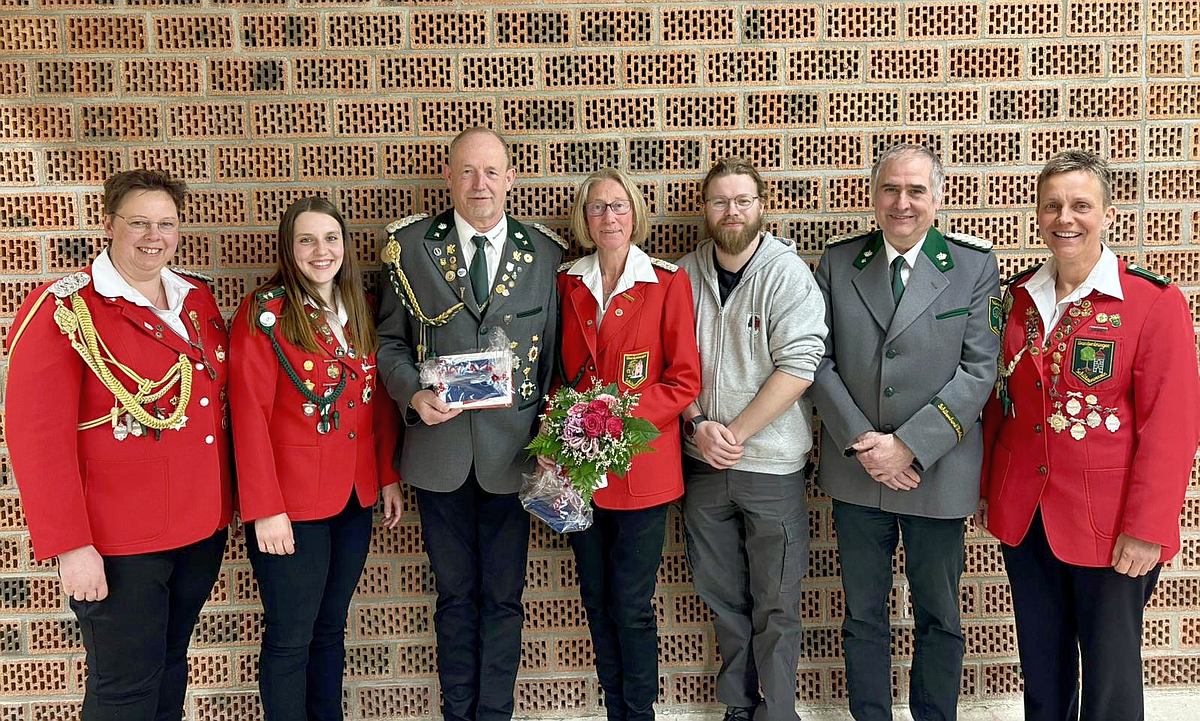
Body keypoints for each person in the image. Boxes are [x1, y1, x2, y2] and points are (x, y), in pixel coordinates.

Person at [979, 150, 1200, 720]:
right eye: (1052, 205)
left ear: (1107, 213)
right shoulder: (1017, 298)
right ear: (1037, 214)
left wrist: (1148, 528)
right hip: (1027, 516)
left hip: (1111, 524)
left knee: (1110, 682)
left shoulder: (1152, 302)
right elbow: (1000, 402)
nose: (1065, 218)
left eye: (1081, 205)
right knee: (1042, 672)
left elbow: (1172, 428)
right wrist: (989, 490)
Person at [5, 170, 233, 720]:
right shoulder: (65, 310)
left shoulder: (195, 297)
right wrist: (70, 546)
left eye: (166, 224)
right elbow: (36, 439)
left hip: (198, 528)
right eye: (138, 223)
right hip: (119, 542)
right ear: (109, 224)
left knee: (170, 668)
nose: (154, 237)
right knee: (124, 688)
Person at [376, 127, 566, 721]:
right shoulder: (409, 248)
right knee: (455, 598)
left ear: (511, 179)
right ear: (449, 179)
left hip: (514, 457)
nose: (479, 184)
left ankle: (495, 714)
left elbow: (556, 361)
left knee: (504, 599)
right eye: (466, 171)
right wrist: (413, 395)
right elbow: (389, 343)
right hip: (441, 452)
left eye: (490, 172)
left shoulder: (546, 254)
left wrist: (555, 440)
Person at [809, 144, 1000, 721]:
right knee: (862, 614)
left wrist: (909, 446)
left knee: (939, 614)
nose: (902, 203)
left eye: (916, 190)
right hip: (858, 469)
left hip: (936, 472)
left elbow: (979, 370)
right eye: (890, 189)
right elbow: (817, 359)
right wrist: (868, 445)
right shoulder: (839, 263)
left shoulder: (972, 266)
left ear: (937, 197)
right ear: (873, 196)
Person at [228, 197, 404, 721]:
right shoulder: (266, 313)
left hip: (353, 497)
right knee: (291, 636)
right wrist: (264, 508)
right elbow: (249, 415)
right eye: (306, 240)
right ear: (289, 249)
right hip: (291, 505)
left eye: (330, 238)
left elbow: (376, 404)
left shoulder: (361, 306)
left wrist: (388, 476)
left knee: (330, 631)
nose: (320, 251)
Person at [676, 158, 827, 721]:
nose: (732, 211)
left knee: (777, 603)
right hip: (702, 465)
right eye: (720, 201)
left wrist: (734, 433)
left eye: (743, 200)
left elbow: (801, 365)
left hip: (771, 467)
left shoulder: (787, 275)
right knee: (722, 598)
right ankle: (739, 706)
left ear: (762, 207)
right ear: (705, 209)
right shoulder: (683, 276)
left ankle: (779, 711)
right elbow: (667, 362)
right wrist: (698, 425)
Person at [552, 167, 701, 721]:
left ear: (635, 213)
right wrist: (564, 427)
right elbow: (559, 373)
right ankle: (616, 709)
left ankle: (638, 714)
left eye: (618, 206)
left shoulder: (665, 282)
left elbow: (684, 380)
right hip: (580, 471)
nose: (608, 217)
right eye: (597, 207)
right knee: (595, 601)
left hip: (642, 470)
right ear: (583, 219)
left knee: (632, 605)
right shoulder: (568, 282)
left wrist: (615, 417)